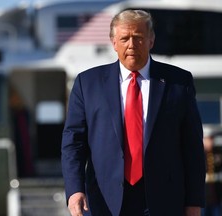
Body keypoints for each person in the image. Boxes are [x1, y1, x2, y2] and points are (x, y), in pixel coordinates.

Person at [61, 9, 205, 216]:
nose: (131, 44)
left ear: (151, 41)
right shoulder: (88, 84)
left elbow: (192, 147)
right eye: (124, 38)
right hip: (105, 200)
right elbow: (73, 143)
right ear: (113, 42)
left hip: (164, 200)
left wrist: (193, 203)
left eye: (138, 37)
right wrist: (75, 190)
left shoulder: (178, 83)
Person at [203, 132, 222, 216]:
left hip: (216, 197)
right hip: (204, 199)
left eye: (210, 139)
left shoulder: (217, 153)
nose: (208, 142)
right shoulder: (200, 155)